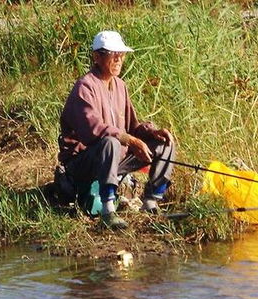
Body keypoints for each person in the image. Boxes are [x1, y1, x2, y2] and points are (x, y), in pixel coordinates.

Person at [58, 30, 175, 229]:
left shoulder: (120, 85)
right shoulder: (84, 87)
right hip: (83, 163)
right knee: (110, 141)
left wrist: (151, 133)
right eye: (114, 54)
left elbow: (132, 127)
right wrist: (130, 140)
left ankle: (151, 202)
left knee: (164, 143)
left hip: (114, 160)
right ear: (97, 56)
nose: (119, 59)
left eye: (121, 54)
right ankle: (108, 209)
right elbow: (93, 130)